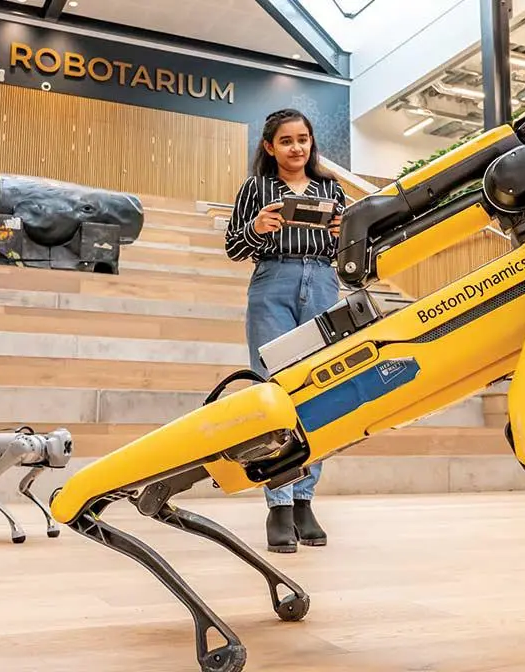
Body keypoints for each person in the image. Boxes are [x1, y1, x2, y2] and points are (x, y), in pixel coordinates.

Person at [223, 108, 346, 554]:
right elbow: (234, 247)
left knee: (317, 393)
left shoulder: (332, 190)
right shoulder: (255, 189)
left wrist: (340, 232)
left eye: (304, 140)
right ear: (269, 146)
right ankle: (278, 502)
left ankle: (304, 500)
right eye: (287, 141)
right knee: (272, 395)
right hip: (272, 282)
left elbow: (350, 252)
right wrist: (257, 228)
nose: (297, 148)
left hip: (322, 283)